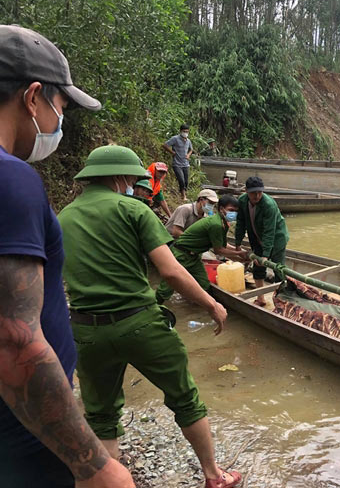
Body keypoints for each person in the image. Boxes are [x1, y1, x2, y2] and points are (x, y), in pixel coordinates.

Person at [58, 145, 242, 488]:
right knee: (185, 397)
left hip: (85, 330)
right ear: (118, 177)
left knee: (101, 416)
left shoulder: (62, 217)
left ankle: (104, 481)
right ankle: (215, 477)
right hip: (140, 324)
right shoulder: (133, 210)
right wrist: (211, 305)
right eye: (131, 179)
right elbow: (170, 272)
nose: (133, 184)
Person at [0, 25, 134, 488]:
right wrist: (94, 465)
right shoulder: (10, 179)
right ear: (33, 96)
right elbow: (14, 341)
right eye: (62, 107)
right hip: (21, 439)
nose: (61, 121)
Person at [156, 194, 247, 303]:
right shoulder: (215, 224)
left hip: (194, 257)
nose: (234, 214)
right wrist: (239, 254)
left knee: (204, 284)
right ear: (221, 209)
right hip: (181, 254)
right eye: (231, 210)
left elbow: (223, 244)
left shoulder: (223, 224)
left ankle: (207, 307)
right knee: (168, 286)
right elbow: (219, 250)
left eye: (236, 211)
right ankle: (153, 306)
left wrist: (238, 252)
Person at [234, 176, 289, 307]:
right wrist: (237, 243)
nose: (257, 195)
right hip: (256, 238)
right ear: (246, 191)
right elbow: (240, 222)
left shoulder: (268, 205)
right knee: (258, 267)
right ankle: (261, 298)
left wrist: (265, 256)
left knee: (278, 269)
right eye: (253, 192)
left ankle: (282, 301)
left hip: (276, 239)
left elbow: (270, 232)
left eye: (260, 192)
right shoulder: (242, 201)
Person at [163, 124, 193, 200]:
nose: (185, 133)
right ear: (180, 131)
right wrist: (172, 152)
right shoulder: (175, 139)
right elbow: (165, 145)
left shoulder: (188, 141)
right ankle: (183, 196)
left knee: (186, 181)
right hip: (177, 163)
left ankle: (183, 193)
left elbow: (191, 149)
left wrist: (188, 155)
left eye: (187, 131)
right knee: (181, 180)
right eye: (184, 131)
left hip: (186, 164)